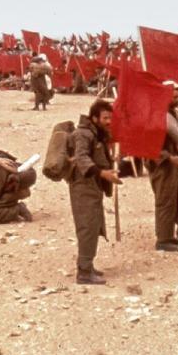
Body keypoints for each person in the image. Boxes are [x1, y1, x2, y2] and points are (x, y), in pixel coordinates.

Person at [67, 100, 118, 285]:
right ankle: (84, 272)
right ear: (94, 117)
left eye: (110, 118)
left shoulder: (96, 134)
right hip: (83, 186)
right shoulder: (83, 134)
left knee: (94, 224)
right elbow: (81, 158)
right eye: (105, 118)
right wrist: (102, 173)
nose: (108, 121)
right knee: (87, 227)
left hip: (92, 186)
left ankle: (87, 264)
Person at [147, 94, 178, 251]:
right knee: (165, 201)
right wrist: (169, 157)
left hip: (173, 164)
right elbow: (151, 146)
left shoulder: (172, 115)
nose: (177, 96)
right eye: (173, 93)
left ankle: (170, 234)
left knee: (175, 200)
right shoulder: (154, 118)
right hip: (163, 166)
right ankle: (163, 239)